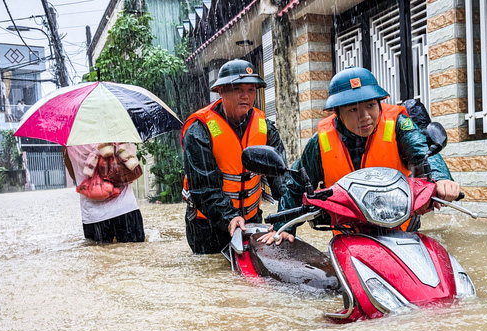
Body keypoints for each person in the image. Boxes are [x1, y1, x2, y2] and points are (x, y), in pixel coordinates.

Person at [261, 66, 461, 245]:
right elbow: (297, 184)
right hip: (348, 235)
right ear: (338, 113)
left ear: (379, 104)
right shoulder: (321, 142)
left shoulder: (398, 124)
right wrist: (284, 227)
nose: (365, 116)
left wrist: (441, 179)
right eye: (354, 109)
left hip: (401, 228)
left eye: (370, 106)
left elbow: (422, 151)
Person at [180, 59, 289, 254]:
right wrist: (229, 216)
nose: (245, 96)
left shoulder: (265, 127)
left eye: (251, 90)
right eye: (237, 88)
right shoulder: (199, 130)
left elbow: (281, 178)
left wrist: (286, 220)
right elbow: (203, 188)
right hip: (208, 228)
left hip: (251, 221)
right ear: (220, 91)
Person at [63, 143, 145, 243]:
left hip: (94, 216)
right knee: (134, 254)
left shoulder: (69, 141)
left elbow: (74, 177)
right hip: (125, 209)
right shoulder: (113, 130)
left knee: (100, 256)